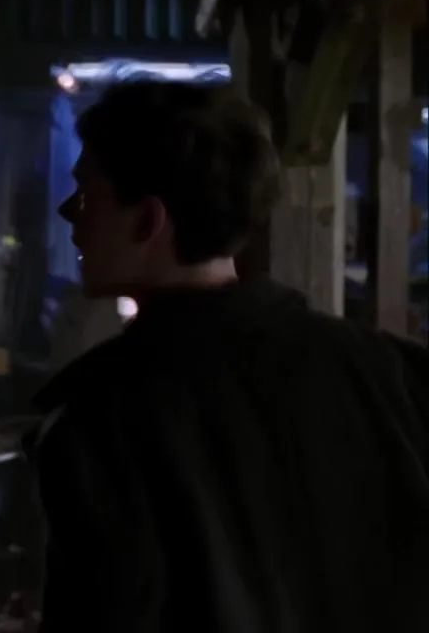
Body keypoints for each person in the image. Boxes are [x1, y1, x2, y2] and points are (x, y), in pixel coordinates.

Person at [32, 81, 429, 633]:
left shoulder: (102, 416)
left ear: (148, 221)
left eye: (85, 194)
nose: (68, 213)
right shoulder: (392, 372)